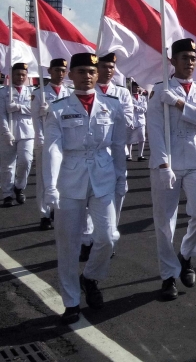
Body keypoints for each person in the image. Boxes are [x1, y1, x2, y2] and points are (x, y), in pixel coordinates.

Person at [43, 52, 127, 324]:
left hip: (103, 177)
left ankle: (90, 277)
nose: (87, 76)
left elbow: (117, 146)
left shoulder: (112, 105)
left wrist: (122, 177)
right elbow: (53, 149)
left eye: (92, 71)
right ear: (71, 75)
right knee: (67, 245)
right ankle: (70, 301)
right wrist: (50, 185)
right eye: (81, 71)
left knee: (108, 236)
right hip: (70, 179)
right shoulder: (58, 108)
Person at [147, 38, 196, 300]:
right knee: (165, 223)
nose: (190, 62)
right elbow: (154, 131)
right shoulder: (159, 90)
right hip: (168, 161)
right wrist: (163, 163)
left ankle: (185, 255)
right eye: (185, 57)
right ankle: (168, 276)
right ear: (173, 61)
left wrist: (179, 104)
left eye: (193, 58)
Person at [31, 58, 72, 229]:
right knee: (44, 178)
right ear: (49, 71)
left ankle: (56, 207)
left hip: (65, 142)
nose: (60, 74)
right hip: (45, 141)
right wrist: (40, 138)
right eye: (57, 70)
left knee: (62, 177)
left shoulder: (70, 93)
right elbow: (35, 118)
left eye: (63, 70)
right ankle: (44, 214)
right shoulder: (39, 93)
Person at [0, 62, 35, 207]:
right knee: (8, 165)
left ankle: (19, 187)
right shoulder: (3, 92)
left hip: (27, 131)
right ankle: (7, 194)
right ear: (11, 75)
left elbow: (36, 110)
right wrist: (5, 132)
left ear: (27, 76)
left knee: (26, 161)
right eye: (17, 74)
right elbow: (1, 114)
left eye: (23, 74)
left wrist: (19, 108)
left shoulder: (32, 92)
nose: (20, 77)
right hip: (8, 130)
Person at [95, 53, 134, 161]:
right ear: (97, 68)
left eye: (111, 67)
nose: (108, 70)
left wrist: (102, 117)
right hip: (94, 147)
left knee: (120, 176)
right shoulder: (89, 92)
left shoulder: (122, 92)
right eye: (104, 67)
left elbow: (128, 119)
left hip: (117, 146)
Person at [127, 81, 148, 162]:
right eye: (135, 87)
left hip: (141, 120)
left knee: (142, 138)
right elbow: (128, 107)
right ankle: (129, 155)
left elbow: (144, 109)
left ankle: (140, 155)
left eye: (137, 87)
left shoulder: (142, 98)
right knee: (130, 138)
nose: (136, 88)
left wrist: (135, 107)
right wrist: (136, 107)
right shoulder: (129, 97)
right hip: (132, 119)